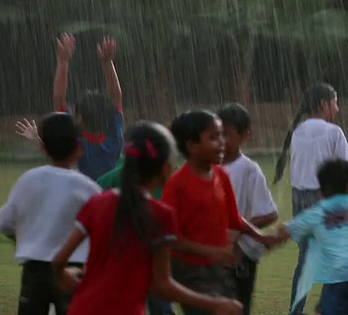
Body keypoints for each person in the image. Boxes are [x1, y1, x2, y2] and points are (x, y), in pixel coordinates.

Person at [52, 121, 243, 315]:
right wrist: (215, 304)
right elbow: (162, 285)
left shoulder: (98, 203)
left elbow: (59, 260)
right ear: (166, 168)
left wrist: (64, 275)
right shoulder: (159, 215)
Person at [273, 82, 348, 315]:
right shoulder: (333, 132)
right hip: (325, 199)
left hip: (300, 199)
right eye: (335, 103)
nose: (337, 109)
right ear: (324, 104)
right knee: (339, 253)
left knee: (307, 258)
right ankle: (335, 303)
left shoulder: (298, 130)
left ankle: (298, 310)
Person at [162, 110, 275, 315]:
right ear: (192, 146)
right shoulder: (177, 184)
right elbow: (171, 237)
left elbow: (234, 218)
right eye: (214, 137)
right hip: (189, 270)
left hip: (218, 267)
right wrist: (212, 251)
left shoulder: (221, 176)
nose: (222, 142)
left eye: (222, 135)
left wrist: (261, 237)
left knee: (233, 310)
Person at [0, 112, 102, 315]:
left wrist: (28, 241)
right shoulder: (88, 188)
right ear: (79, 148)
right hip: (72, 270)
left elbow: (4, 223)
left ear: (43, 148)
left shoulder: (28, 180)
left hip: (34, 272)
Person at [273, 159, 348, 315]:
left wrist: (263, 237)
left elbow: (282, 233)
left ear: (321, 192)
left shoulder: (316, 212)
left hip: (340, 280)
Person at [15, 34, 124, 180]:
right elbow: (116, 97)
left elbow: (59, 99)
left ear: (79, 118)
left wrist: (63, 60)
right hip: (106, 200)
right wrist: (108, 63)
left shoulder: (76, 145)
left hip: (81, 200)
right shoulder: (114, 140)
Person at [95, 126, 177, 315]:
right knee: (161, 306)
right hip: (153, 259)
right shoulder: (171, 182)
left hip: (116, 261)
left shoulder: (106, 182)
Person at [218, 103, 279, 315]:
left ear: (245, 135)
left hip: (239, 256)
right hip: (211, 253)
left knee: (237, 307)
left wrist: (239, 231)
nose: (222, 141)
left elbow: (269, 213)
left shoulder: (249, 169)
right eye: (217, 134)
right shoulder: (207, 167)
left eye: (227, 134)